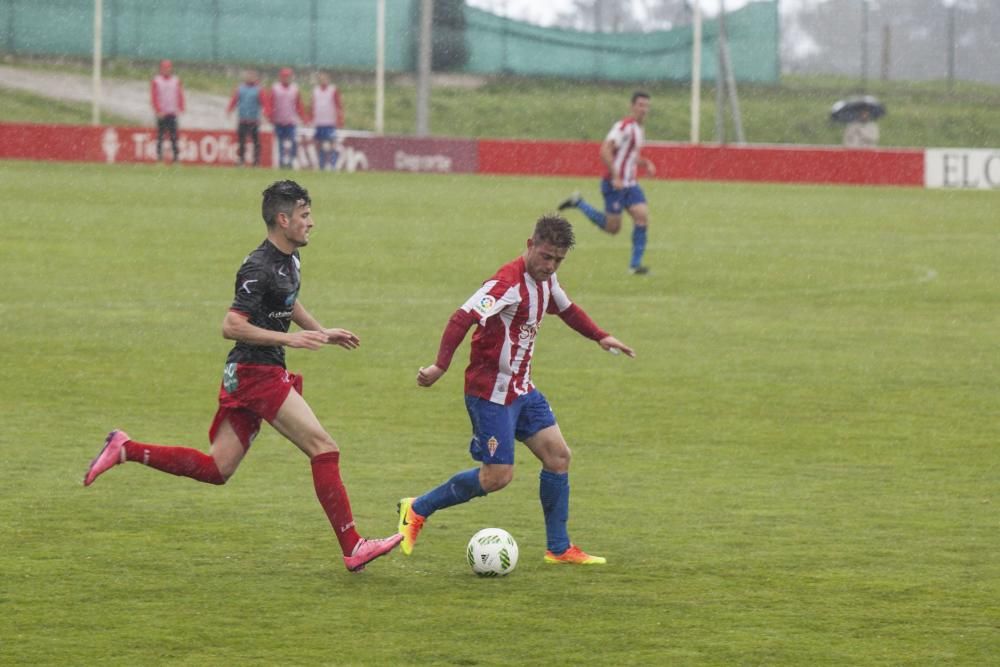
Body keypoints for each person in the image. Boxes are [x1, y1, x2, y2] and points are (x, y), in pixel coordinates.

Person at [83, 180, 402, 573]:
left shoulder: (290, 260)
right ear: (282, 220)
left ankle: (125, 448)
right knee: (324, 447)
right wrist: (291, 339)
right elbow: (232, 325)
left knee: (218, 469)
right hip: (256, 372)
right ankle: (353, 545)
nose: (311, 223)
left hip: (252, 371)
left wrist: (320, 331)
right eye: (304, 216)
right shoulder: (258, 266)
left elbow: (287, 298)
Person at [397, 214, 635, 566]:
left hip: (522, 390)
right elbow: (462, 317)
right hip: (489, 394)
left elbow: (568, 311)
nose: (550, 266)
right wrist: (439, 367)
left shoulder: (546, 281)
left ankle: (559, 548)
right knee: (497, 477)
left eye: (558, 260)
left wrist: (600, 336)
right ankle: (417, 508)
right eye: (545, 257)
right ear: (530, 245)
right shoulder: (505, 284)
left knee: (558, 457)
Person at [558, 91, 656, 275]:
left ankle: (635, 266)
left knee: (642, 217)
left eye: (647, 106)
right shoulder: (623, 127)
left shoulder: (639, 130)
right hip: (614, 184)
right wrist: (616, 176)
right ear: (632, 106)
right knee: (613, 228)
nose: (644, 109)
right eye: (641, 105)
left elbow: (629, 156)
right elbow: (605, 150)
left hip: (630, 184)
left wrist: (645, 163)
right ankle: (579, 203)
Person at [268, 68, 309, 169]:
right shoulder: (275, 88)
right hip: (279, 120)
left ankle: (291, 160)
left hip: (291, 121)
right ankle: (282, 162)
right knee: (281, 143)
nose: (286, 78)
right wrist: (270, 116)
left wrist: (303, 117)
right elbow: (270, 103)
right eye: (284, 76)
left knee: (293, 141)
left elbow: (299, 105)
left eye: (288, 76)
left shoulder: (294, 89)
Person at [227, 68, 265, 167]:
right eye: (248, 75)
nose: (250, 78)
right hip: (243, 119)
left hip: (254, 120)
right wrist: (229, 110)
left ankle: (256, 161)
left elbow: (264, 103)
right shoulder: (240, 88)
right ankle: (241, 160)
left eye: (252, 76)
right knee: (241, 142)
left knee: (256, 142)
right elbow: (234, 100)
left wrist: (266, 114)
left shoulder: (258, 89)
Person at [150, 59, 185, 163]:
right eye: (164, 68)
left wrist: (181, 106)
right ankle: (159, 157)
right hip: (162, 113)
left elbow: (179, 94)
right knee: (160, 136)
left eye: (168, 68)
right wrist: (157, 109)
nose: (166, 70)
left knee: (174, 137)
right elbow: (154, 96)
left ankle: (176, 157)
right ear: (161, 69)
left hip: (172, 112)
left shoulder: (175, 80)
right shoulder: (156, 81)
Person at [310, 72, 345, 171]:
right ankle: (321, 165)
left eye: (325, 78)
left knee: (332, 144)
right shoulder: (315, 91)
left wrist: (340, 119)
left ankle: (333, 165)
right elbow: (312, 105)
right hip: (319, 122)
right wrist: (310, 118)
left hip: (330, 122)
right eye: (321, 78)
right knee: (320, 145)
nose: (323, 80)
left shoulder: (333, 90)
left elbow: (339, 105)